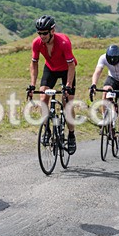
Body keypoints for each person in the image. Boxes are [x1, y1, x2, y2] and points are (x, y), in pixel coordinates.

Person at [27, 15, 77, 154]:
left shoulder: (64, 42)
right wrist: (32, 85)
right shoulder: (36, 43)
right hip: (51, 69)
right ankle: (47, 130)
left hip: (67, 70)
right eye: (39, 33)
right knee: (43, 99)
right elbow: (34, 63)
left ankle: (71, 135)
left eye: (44, 33)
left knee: (67, 103)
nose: (42, 36)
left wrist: (67, 85)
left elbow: (71, 66)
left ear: (52, 30)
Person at [89, 44, 119, 149]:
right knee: (105, 90)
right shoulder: (103, 57)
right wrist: (93, 84)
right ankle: (106, 116)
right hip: (112, 79)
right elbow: (97, 72)